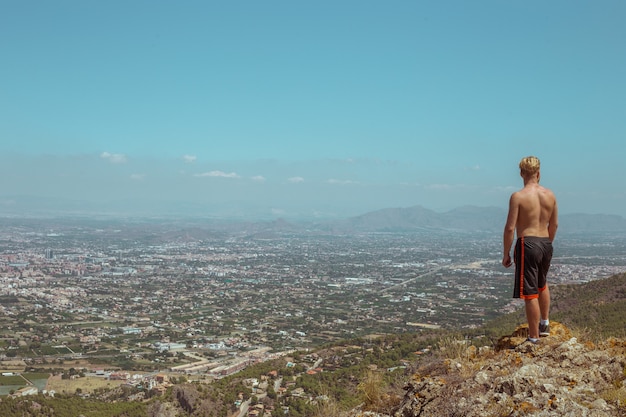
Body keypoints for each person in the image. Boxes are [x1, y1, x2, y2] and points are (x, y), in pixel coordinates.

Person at [502, 156, 558, 344]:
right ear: (539, 173)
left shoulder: (518, 197)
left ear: (521, 173)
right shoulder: (550, 195)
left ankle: (533, 338)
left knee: (530, 292)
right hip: (546, 242)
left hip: (528, 243)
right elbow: (555, 224)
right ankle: (545, 323)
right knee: (542, 283)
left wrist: (506, 253)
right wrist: (547, 243)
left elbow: (510, 228)